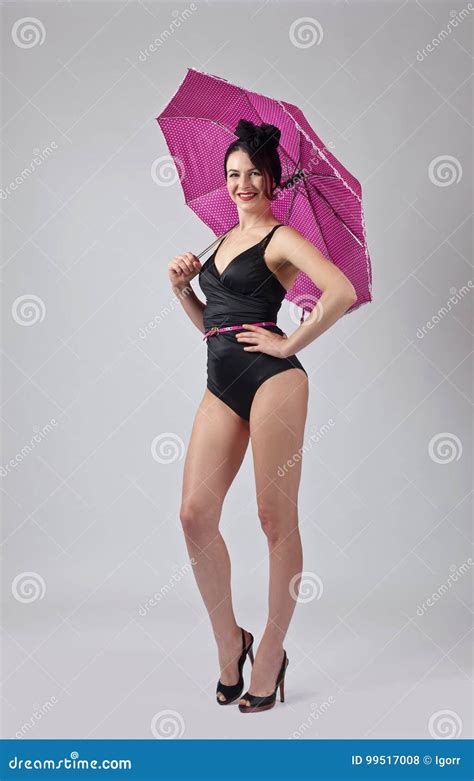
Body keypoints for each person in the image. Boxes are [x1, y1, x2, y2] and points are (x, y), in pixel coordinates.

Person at [168, 119, 357, 714]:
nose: (242, 183)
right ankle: (232, 641)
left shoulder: (281, 238)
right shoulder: (218, 241)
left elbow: (341, 291)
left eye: (252, 173)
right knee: (195, 514)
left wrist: (289, 344)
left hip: (275, 380)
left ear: (272, 179)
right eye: (232, 174)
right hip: (220, 379)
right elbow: (215, 327)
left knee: (274, 519)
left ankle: (271, 651)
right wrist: (182, 293)